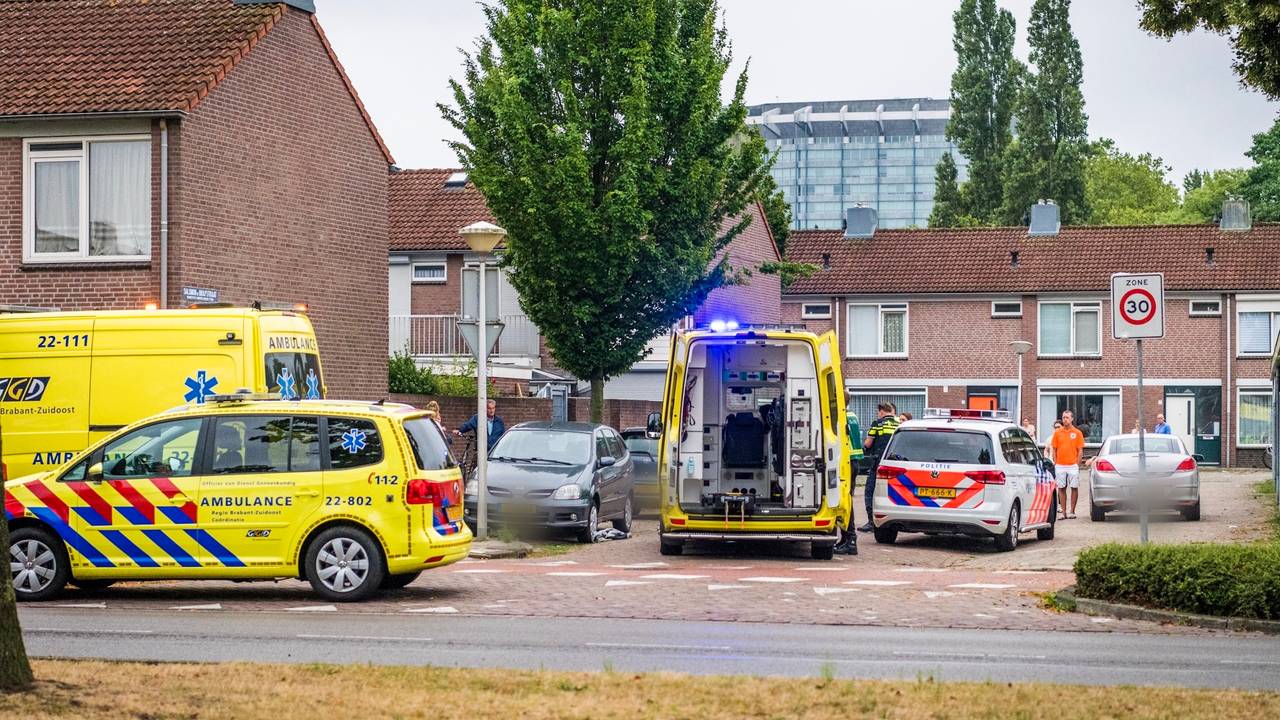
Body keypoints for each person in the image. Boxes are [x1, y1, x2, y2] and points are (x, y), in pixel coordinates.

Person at [858, 402, 900, 532]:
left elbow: (868, 443)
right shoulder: (899, 424)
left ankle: (871, 522)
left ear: (881, 411)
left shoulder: (878, 423)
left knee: (870, 491)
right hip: (895, 463)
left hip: (878, 462)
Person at [833, 402, 864, 555]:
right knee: (847, 500)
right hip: (853, 462)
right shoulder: (852, 416)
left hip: (846, 463)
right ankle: (846, 539)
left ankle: (850, 539)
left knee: (845, 502)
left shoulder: (841, 416)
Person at [1047, 410, 1086, 519]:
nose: (1065, 419)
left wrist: (1077, 464)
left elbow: (1080, 450)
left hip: (1073, 465)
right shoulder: (1057, 433)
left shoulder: (1077, 433)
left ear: (1072, 419)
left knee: (1074, 487)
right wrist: (1056, 462)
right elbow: (1054, 449)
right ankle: (1063, 512)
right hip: (1060, 465)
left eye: (1067, 417)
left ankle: (1072, 511)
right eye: (1063, 417)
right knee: (1061, 488)